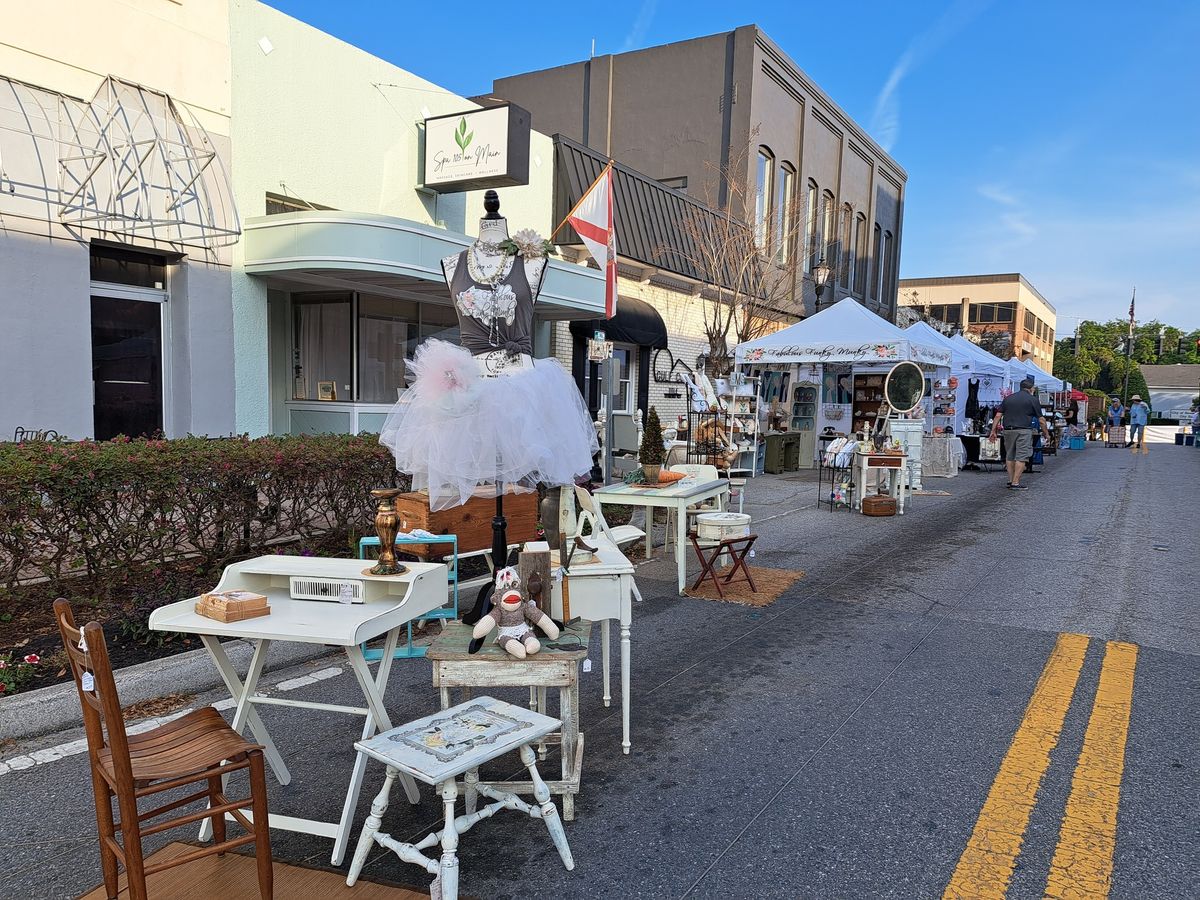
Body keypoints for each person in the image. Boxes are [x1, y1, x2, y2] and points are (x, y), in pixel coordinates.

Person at [990, 377, 1051, 490]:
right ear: (1031, 388)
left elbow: (998, 415)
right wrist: (1046, 433)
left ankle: (1010, 479)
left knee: (1010, 455)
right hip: (1023, 430)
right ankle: (1015, 483)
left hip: (1008, 430)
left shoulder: (1008, 398)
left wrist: (993, 431)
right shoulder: (1032, 400)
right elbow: (1041, 420)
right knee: (1021, 457)